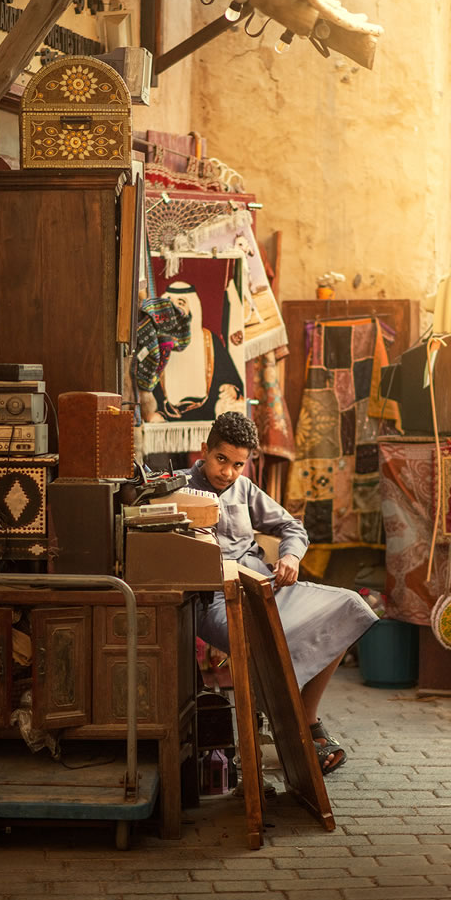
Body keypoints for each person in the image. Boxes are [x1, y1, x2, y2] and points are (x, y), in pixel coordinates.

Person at [186, 411, 379, 776]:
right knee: (268, 636)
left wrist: (290, 556)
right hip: (215, 601)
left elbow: (292, 525)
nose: (227, 472)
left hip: (266, 585)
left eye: (238, 464)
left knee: (349, 607)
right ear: (205, 451)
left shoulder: (244, 489)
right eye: (221, 459)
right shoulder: (178, 488)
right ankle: (301, 731)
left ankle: (303, 720)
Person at [148, 281, 244, 422]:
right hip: (166, 415)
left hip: (205, 413)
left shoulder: (209, 341)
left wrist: (231, 389)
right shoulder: (155, 342)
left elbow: (229, 377)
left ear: (192, 308)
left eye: (180, 303)